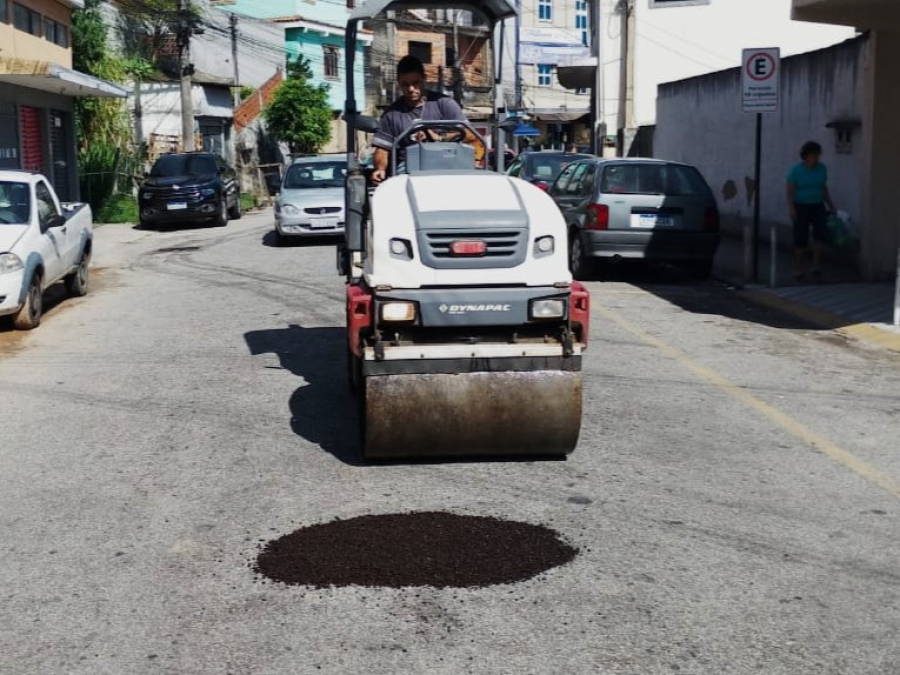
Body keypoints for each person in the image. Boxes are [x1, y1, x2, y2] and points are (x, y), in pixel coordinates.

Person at [371, 55, 472, 182]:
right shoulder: (391, 114)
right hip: (407, 170)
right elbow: (382, 149)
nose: (411, 89)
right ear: (398, 83)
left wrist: (438, 137)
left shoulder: (444, 104)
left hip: (446, 167)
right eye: (405, 84)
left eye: (415, 83)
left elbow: (469, 135)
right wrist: (380, 168)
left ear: (424, 79)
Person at [787, 140, 835, 282]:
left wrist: (830, 204)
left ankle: (816, 265)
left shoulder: (822, 169)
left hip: (817, 204)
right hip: (800, 205)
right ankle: (798, 267)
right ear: (806, 156)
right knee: (800, 237)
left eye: (817, 155)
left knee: (820, 234)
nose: (815, 158)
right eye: (813, 155)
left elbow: (823, 188)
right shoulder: (796, 171)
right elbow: (789, 191)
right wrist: (791, 208)